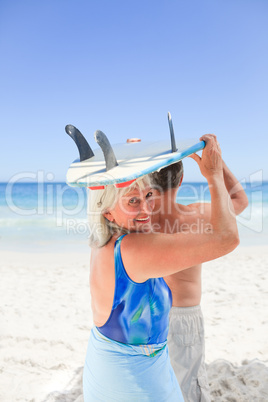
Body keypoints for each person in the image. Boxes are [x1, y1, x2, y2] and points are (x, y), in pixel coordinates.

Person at [82, 135, 240, 401]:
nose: (146, 209)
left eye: (148, 195)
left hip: (104, 359)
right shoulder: (134, 249)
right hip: (133, 377)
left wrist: (134, 153)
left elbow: (101, 190)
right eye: (133, 201)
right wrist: (213, 175)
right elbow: (227, 238)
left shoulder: (103, 240)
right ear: (108, 212)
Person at [151, 134, 248, 401]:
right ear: (181, 180)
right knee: (188, 386)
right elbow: (239, 200)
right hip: (184, 316)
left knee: (157, 385)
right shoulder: (198, 216)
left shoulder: (140, 223)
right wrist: (214, 165)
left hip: (148, 314)